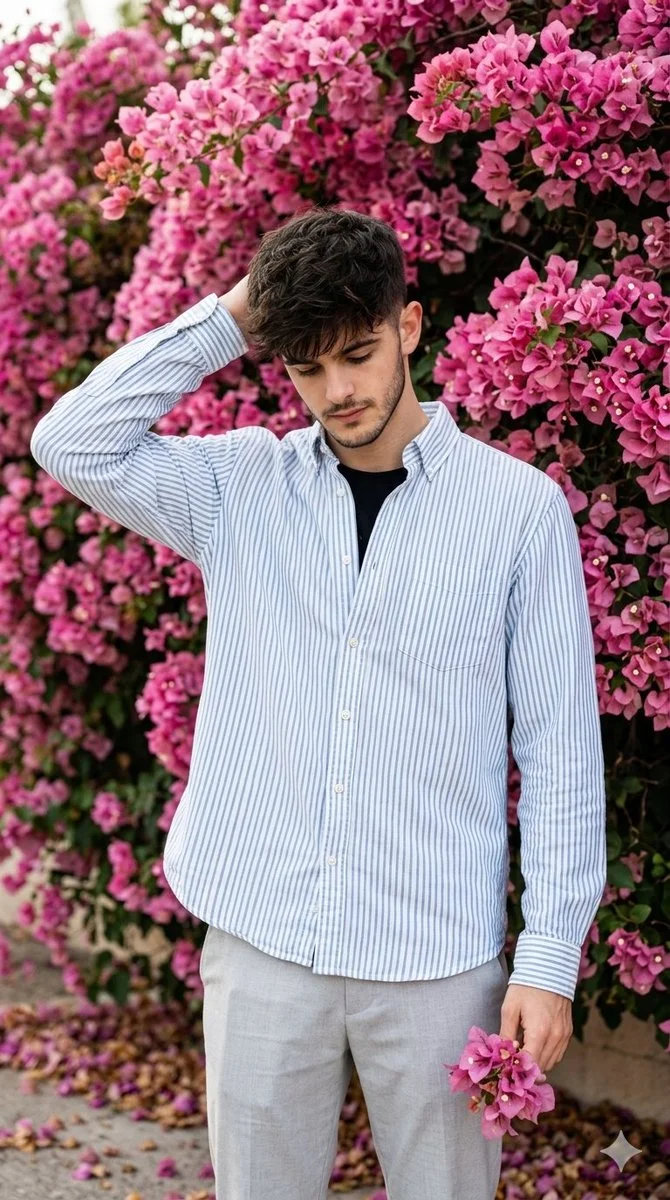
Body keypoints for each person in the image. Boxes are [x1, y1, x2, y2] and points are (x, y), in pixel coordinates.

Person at [30, 206, 607, 1199]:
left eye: (358, 352)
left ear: (410, 326)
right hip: (261, 937)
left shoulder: (518, 511)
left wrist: (547, 958)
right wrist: (239, 312)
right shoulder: (237, 485)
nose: (337, 391)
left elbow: (558, 749)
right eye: (307, 366)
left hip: (435, 953)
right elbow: (70, 442)